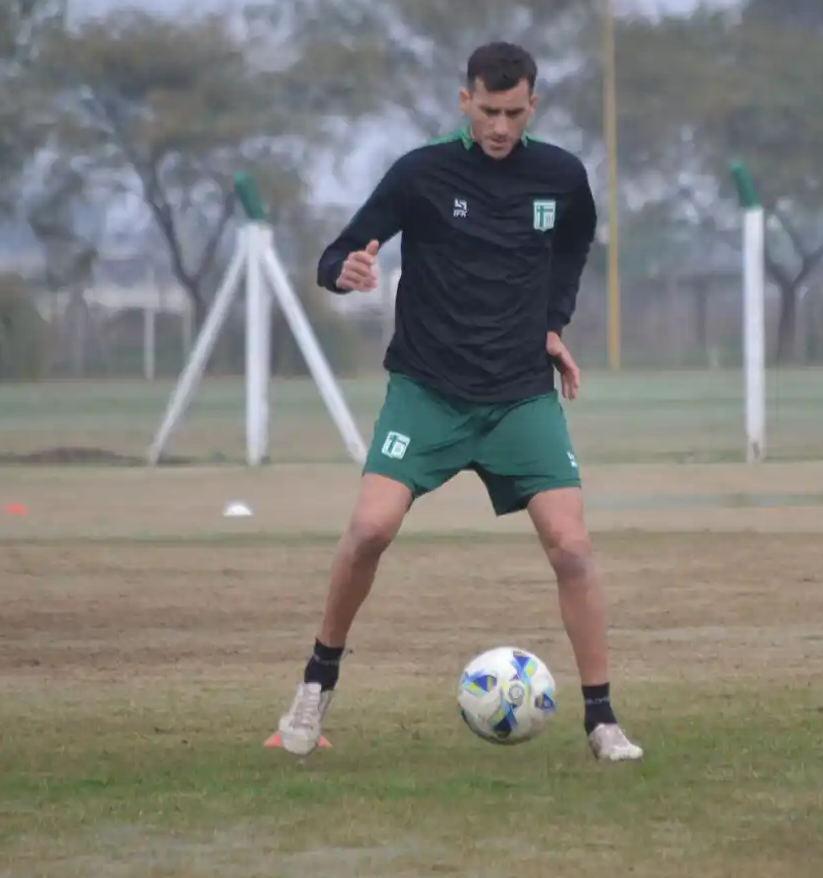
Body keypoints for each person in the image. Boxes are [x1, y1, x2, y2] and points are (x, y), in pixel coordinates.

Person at [274, 41, 643, 763]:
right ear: (464, 101)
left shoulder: (562, 177)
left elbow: (574, 246)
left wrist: (551, 325)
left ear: (532, 106)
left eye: (513, 112)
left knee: (572, 547)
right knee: (370, 530)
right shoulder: (421, 173)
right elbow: (336, 255)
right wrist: (345, 272)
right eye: (487, 110)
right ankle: (317, 683)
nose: (499, 127)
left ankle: (602, 720)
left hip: (518, 396)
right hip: (428, 393)